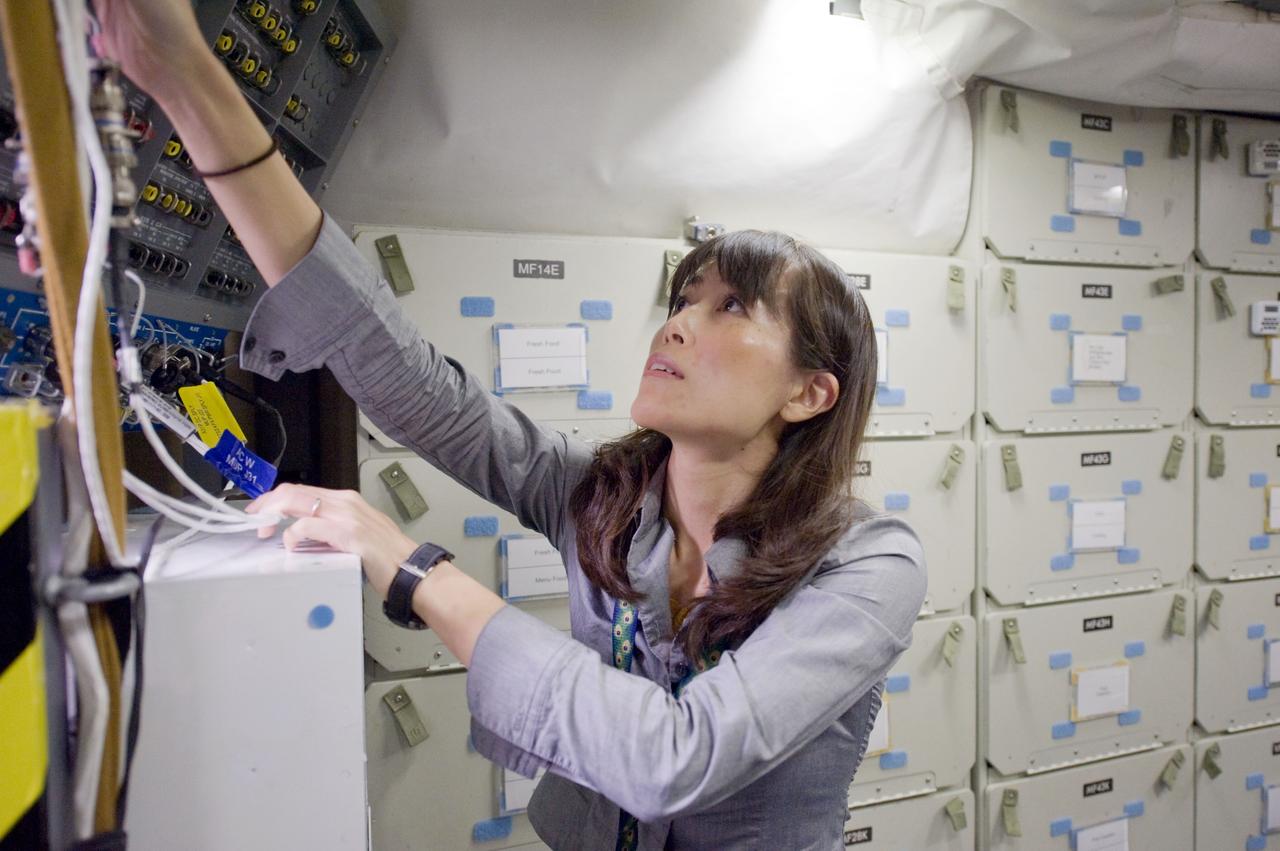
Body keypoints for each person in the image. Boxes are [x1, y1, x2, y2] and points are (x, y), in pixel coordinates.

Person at [95, 2, 927, 847]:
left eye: (731, 308)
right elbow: (405, 375)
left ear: (809, 393)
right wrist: (187, 78)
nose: (675, 324)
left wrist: (419, 571)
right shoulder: (601, 498)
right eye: (682, 300)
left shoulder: (867, 565)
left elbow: (679, 757)